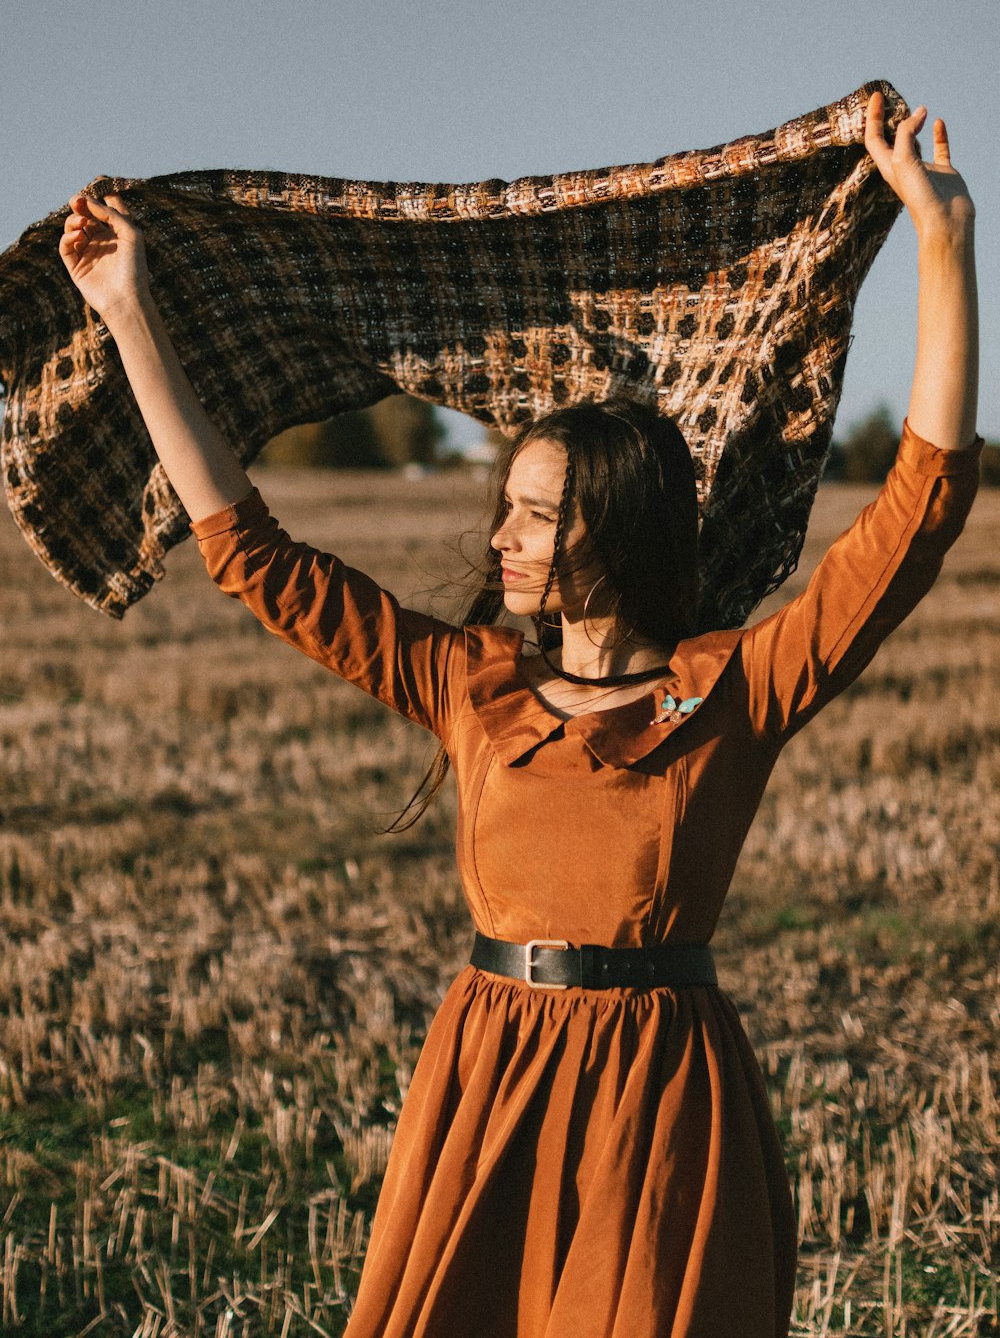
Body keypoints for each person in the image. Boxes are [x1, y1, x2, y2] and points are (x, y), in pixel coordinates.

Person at [59, 91, 979, 1338]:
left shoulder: (732, 687)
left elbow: (915, 512)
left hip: (663, 1096)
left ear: (614, 522)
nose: (501, 538)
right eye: (510, 510)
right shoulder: (471, 684)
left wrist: (940, 242)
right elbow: (251, 553)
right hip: (489, 1078)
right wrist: (128, 317)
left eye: (535, 515)